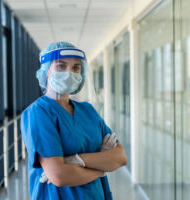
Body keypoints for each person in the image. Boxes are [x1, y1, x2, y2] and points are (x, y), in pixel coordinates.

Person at [20, 41, 128, 200]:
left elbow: (120, 157)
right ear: (47, 71)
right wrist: (101, 167)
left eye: (76, 67)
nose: (69, 73)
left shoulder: (88, 111)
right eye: (61, 66)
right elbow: (59, 176)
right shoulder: (39, 112)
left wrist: (76, 161)